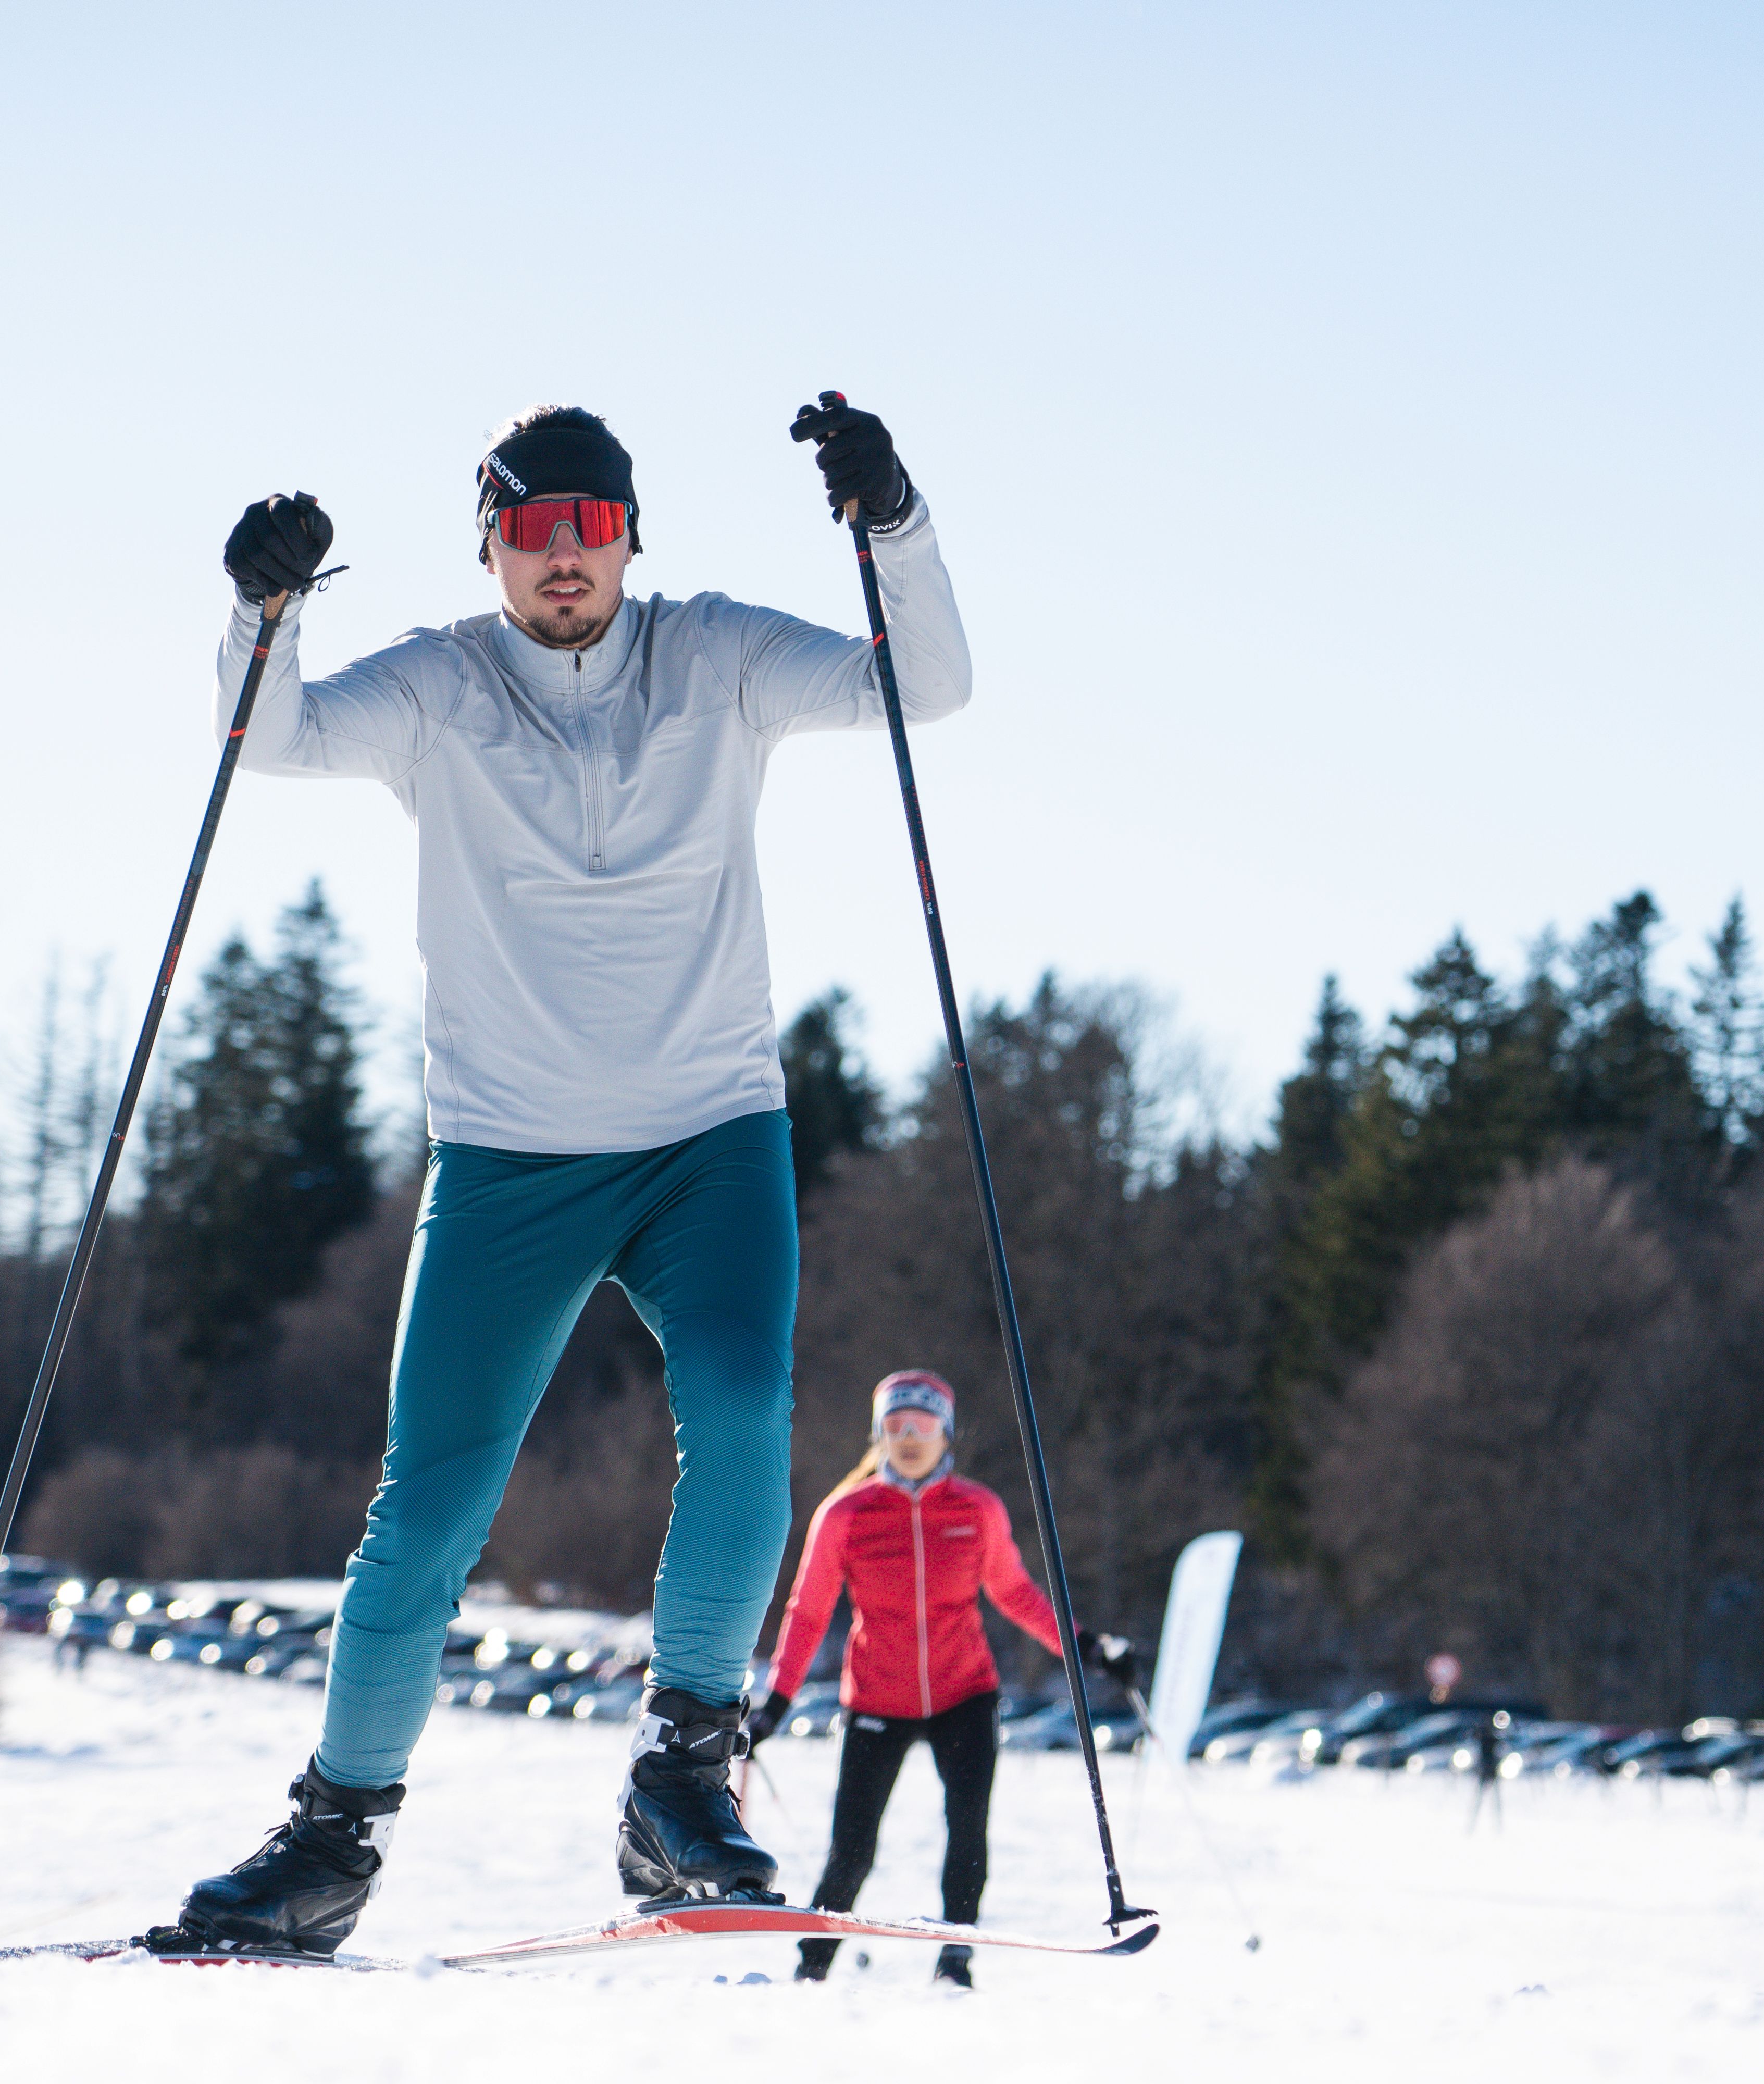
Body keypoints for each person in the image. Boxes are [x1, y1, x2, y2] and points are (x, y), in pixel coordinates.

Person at [160, 400, 972, 1958]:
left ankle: (680, 1779)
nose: (561, 560)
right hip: (508, 1154)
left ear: (628, 537)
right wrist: (258, 610)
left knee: (741, 1418)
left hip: (707, 1135)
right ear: (488, 545)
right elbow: (268, 739)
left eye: (589, 528)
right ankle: (331, 1838)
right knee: (429, 1502)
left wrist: (894, 524)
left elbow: (922, 685)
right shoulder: (438, 686)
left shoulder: (717, 656)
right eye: (530, 532)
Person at [750, 1370, 1100, 1990]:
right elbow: (808, 1611)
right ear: (878, 1434)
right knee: (852, 1851)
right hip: (877, 1698)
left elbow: (1016, 1593)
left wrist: (1082, 1646)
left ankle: (955, 1962)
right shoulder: (846, 1514)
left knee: (967, 1833)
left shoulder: (977, 1508)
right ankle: (811, 1967)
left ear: (946, 1432)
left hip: (964, 1692)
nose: (909, 1437)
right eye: (895, 1425)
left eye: (923, 1425)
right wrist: (777, 1701)